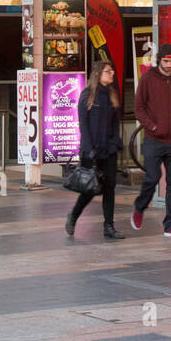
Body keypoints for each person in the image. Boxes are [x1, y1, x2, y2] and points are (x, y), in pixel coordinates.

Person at [131, 43, 171, 237]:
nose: (169, 64)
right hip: (154, 140)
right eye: (166, 61)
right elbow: (139, 108)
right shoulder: (147, 79)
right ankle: (139, 207)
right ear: (159, 60)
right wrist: (153, 126)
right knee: (152, 177)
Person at [66, 61, 125, 240]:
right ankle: (74, 215)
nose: (112, 74)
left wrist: (116, 142)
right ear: (98, 74)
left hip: (109, 149)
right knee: (90, 188)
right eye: (108, 71)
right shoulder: (88, 94)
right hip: (92, 150)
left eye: (112, 71)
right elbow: (83, 124)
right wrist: (88, 148)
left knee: (109, 187)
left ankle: (109, 226)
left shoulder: (112, 95)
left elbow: (115, 123)